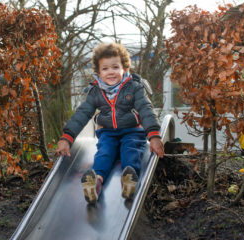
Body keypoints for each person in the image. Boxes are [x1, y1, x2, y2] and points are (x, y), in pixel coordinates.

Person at [56, 42, 164, 204]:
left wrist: (154, 135)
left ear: (125, 69)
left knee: (131, 150)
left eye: (115, 67)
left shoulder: (134, 87)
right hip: (107, 132)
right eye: (105, 69)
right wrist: (66, 138)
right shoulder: (95, 92)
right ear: (99, 73)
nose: (110, 72)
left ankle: (129, 180)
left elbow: (145, 109)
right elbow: (82, 114)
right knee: (104, 153)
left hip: (132, 130)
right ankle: (96, 182)